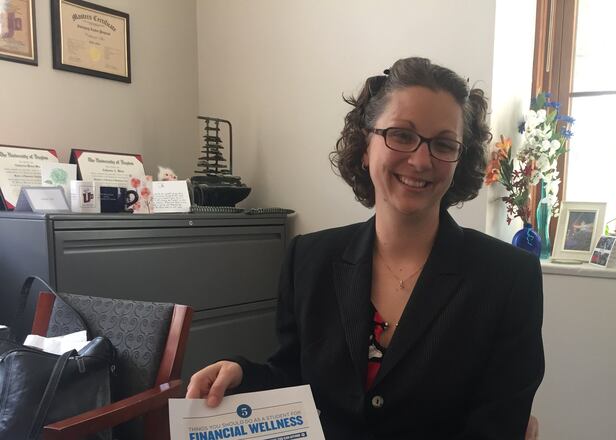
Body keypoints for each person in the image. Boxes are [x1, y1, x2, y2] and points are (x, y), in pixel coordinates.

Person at [186, 57, 544, 439]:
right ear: (364, 146)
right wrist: (243, 374)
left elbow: (497, 425)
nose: (421, 160)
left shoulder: (508, 277)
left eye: (443, 144)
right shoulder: (307, 259)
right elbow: (293, 381)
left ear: (462, 158)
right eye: (402, 135)